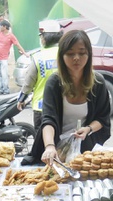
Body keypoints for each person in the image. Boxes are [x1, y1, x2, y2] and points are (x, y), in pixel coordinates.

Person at [30, 30, 111, 166]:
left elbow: (103, 118)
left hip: (85, 151)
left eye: (81, 52)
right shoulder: (54, 82)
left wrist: (88, 129)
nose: (76, 58)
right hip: (56, 150)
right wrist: (49, 146)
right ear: (62, 56)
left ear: (89, 54)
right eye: (70, 53)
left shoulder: (98, 82)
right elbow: (48, 119)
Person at [17, 20, 63, 133]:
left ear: (44, 38)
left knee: (42, 140)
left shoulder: (38, 57)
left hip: (41, 107)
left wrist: (22, 99)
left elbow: (28, 82)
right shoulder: (65, 54)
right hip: (62, 105)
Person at [0, 19, 28, 95]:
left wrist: (25, 53)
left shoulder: (11, 36)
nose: (0, 27)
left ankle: (6, 90)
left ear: (5, 27)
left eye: (1, 26)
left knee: (4, 74)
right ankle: (1, 89)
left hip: (3, 58)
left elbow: (18, 45)